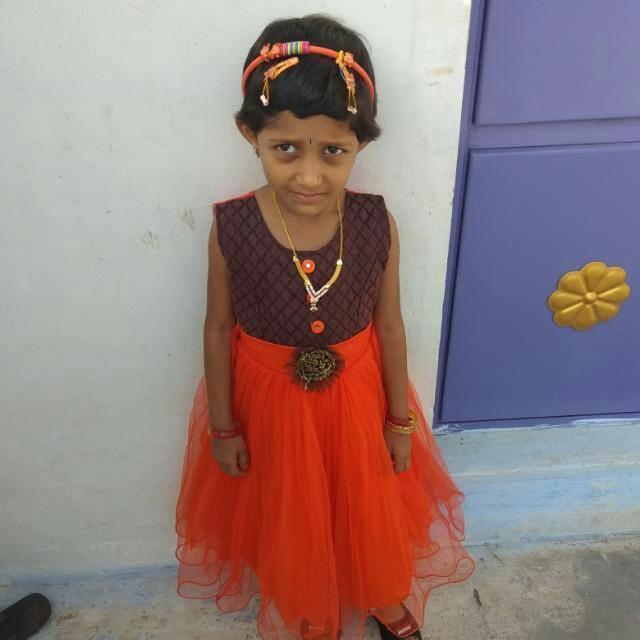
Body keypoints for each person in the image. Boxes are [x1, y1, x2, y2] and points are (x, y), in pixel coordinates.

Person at [175, 14, 475, 640]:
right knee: (290, 512)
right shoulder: (231, 226)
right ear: (250, 135)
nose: (309, 176)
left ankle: (380, 591)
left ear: (360, 143)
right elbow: (217, 328)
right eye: (285, 148)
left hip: (357, 405)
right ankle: (311, 605)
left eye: (332, 151)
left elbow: (390, 327)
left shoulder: (374, 223)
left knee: (366, 504)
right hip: (270, 409)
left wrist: (399, 421)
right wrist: (224, 426)